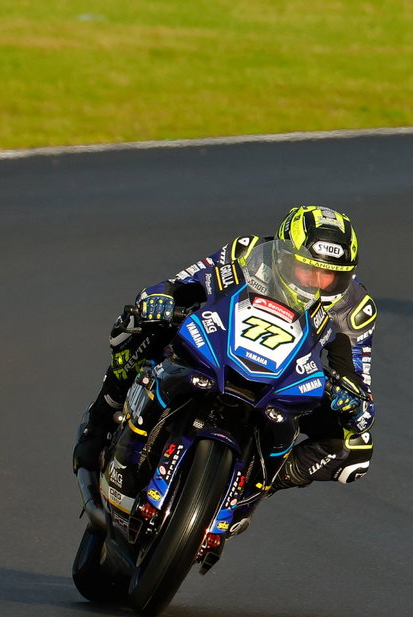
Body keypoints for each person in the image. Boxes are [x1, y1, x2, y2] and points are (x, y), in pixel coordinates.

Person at [72, 205, 376, 490]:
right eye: (309, 269)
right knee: (138, 323)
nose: (321, 283)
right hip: (217, 347)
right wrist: (160, 299)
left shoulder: (355, 308)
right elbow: (178, 284)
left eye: (333, 275)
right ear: (284, 256)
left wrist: (351, 402)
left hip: (286, 379)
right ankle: (100, 419)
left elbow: (361, 390)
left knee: (356, 448)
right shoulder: (245, 252)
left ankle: (251, 485)